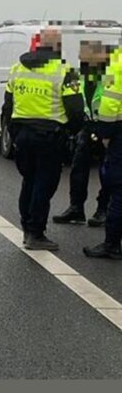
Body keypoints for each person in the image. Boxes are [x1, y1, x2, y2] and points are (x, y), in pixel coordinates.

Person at [3, 27, 85, 251]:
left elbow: (7, 105)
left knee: (29, 180)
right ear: (58, 46)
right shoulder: (64, 71)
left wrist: (13, 132)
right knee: (44, 184)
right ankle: (36, 233)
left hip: (23, 134)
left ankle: (27, 227)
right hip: (50, 135)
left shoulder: (18, 68)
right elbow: (76, 110)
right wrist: (70, 132)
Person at [53, 41, 113, 226]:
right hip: (87, 127)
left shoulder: (111, 77)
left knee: (107, 172)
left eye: (87, 57)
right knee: (78, 169)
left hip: (107, 127)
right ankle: (76, 208)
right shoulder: (78, 75)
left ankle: (103, 209)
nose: (83, 60)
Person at [84, 46, 122, 259]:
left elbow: (109, 100)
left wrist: (105, 134)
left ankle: (112, 244)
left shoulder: (117, 62)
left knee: (118, 190)